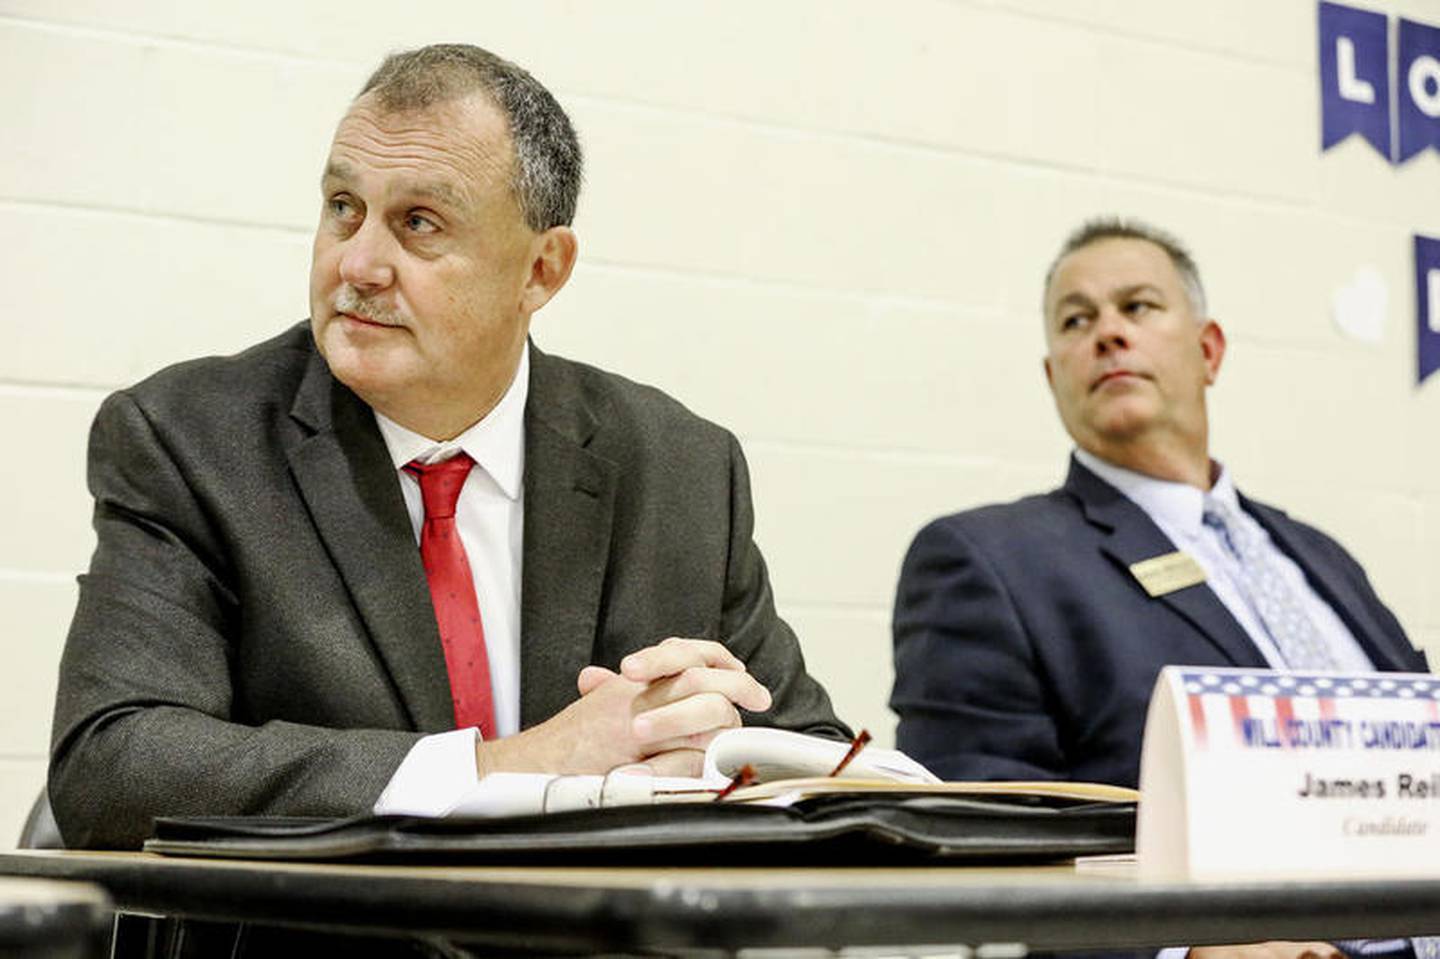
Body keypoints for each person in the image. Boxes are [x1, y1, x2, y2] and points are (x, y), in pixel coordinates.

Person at [49, 43, 846, 851]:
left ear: (541, 269)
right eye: (342, 206)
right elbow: (112, 767)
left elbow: (819, 764)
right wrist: (509, 768)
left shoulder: (680, 466)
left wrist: (713, 749)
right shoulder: (191, 438)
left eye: (418, 223)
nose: (356, 263)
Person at [891, 217, 1427, 789]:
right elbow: (983, 830)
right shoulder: (990, 563)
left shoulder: (1322, 559)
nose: (1108, 333)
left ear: (1209, 351)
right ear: (1054, 379)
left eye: (1138, 306)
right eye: (1076, 320)